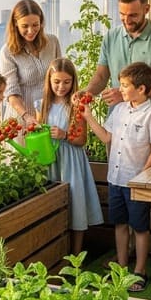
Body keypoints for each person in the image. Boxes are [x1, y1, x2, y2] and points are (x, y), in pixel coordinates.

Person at [74, 0, 151, 282]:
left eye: (132, 14)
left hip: (146, 130)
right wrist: (88, 93)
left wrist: (126, 95)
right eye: (122, 14)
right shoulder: (111, 37)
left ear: (146, 8)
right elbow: (101, 74)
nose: (126, 20)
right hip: (118, 127)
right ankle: (128, 258)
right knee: (122, 192)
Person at [80, 61, 151, 292]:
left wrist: (143, 175)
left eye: (126, 85)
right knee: (119, 224)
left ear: (141, 89)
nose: (121, 88)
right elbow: (107, 137)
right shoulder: (118, 110)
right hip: (115, 178)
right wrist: (88, 117)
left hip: (135, 182)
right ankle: (121, 266)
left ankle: (139, 271)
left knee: (139, 227)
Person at [35, 58, 104, 255]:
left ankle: (75, 255)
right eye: (56, 82)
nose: (61, 86)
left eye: (66, 82)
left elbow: (82, 139)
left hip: (71, 161)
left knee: (76, 207)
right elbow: (37, 135)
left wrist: (64, 135)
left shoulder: (76, 105)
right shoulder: (42, 105)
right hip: (50, 161)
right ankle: (56, 253)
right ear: (49, 81)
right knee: (52, 207)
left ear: (73, 81)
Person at [0, 0, 62, 130]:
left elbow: (60, 75)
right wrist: (27, 117)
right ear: (15, 24)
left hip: (50, 116)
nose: (31, 30)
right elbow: (11, 93)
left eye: (35, 25)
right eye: (25, 26)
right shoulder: (7, 52)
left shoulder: (53, 42)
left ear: (41, 22)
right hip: (21, 120)